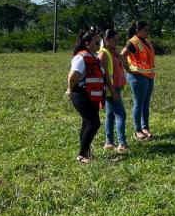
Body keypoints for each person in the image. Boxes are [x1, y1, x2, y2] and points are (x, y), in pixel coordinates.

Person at [66, 28, 111, 163]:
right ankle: (82, 155)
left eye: (100, 43)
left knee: (87, 124)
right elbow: (73, 77)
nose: (100, 45)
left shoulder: (94, 57)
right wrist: (70, 89)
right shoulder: (81, 57)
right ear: (87, 43)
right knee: (93, 124)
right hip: (81, 94)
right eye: (97, 43)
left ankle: (86, 152)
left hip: (92, 95)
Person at [120, 21, 156, 140]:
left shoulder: (147, 42)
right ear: (137, 31)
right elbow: (122, 55)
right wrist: (128, 70)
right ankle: (137, 130)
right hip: (137, 77)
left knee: (145, 103)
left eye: (147, 29)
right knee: (138, 103)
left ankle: (145, 128)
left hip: (149, 76)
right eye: (145, 30)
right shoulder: (133, 42)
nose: (147, 32)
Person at [99, 29, 129, 153]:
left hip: (116, 87)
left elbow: (124, 62)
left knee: (110, 115)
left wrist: (117, 52)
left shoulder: (113, 52)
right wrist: (113, 91)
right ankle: (122, 144)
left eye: (118, 40)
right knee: (121, 115)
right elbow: (105, 75)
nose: (117, 42)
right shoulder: (103, 54)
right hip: (111, 89)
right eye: (115, 40)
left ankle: (109, 142)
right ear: (107, 40)